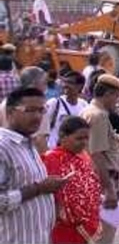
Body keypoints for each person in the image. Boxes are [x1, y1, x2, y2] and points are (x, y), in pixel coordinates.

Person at [0, 87, 69, 244]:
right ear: (10, 112)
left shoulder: (28, 144)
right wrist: (39, 188)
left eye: (41, 110)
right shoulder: (3, 147)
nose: (37, 116)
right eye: (30, 110)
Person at [42, 117, 102, 244]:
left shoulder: (83, 157)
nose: (84, 142)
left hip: (87, 221)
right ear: (63, 136)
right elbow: (49, 192)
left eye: (86, 138)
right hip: (62, 225)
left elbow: (91, 183)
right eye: (79, 138)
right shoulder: (51, 159)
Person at [80, 74, 119, 244]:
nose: (117, 101)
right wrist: (110, 189)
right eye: (116, 96)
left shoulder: (89, 111)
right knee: (104, 232)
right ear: (107, 94)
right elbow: (96, 154)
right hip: (104, 177)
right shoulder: (99, 115)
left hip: (96, 175)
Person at [42, 71, 89, 150]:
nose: (65, 85)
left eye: (70, 82)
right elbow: (43, 130)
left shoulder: (84, 105)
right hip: (55, 150)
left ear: (80, 86)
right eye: (64, 82)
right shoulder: (54, 103)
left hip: (75, 151)